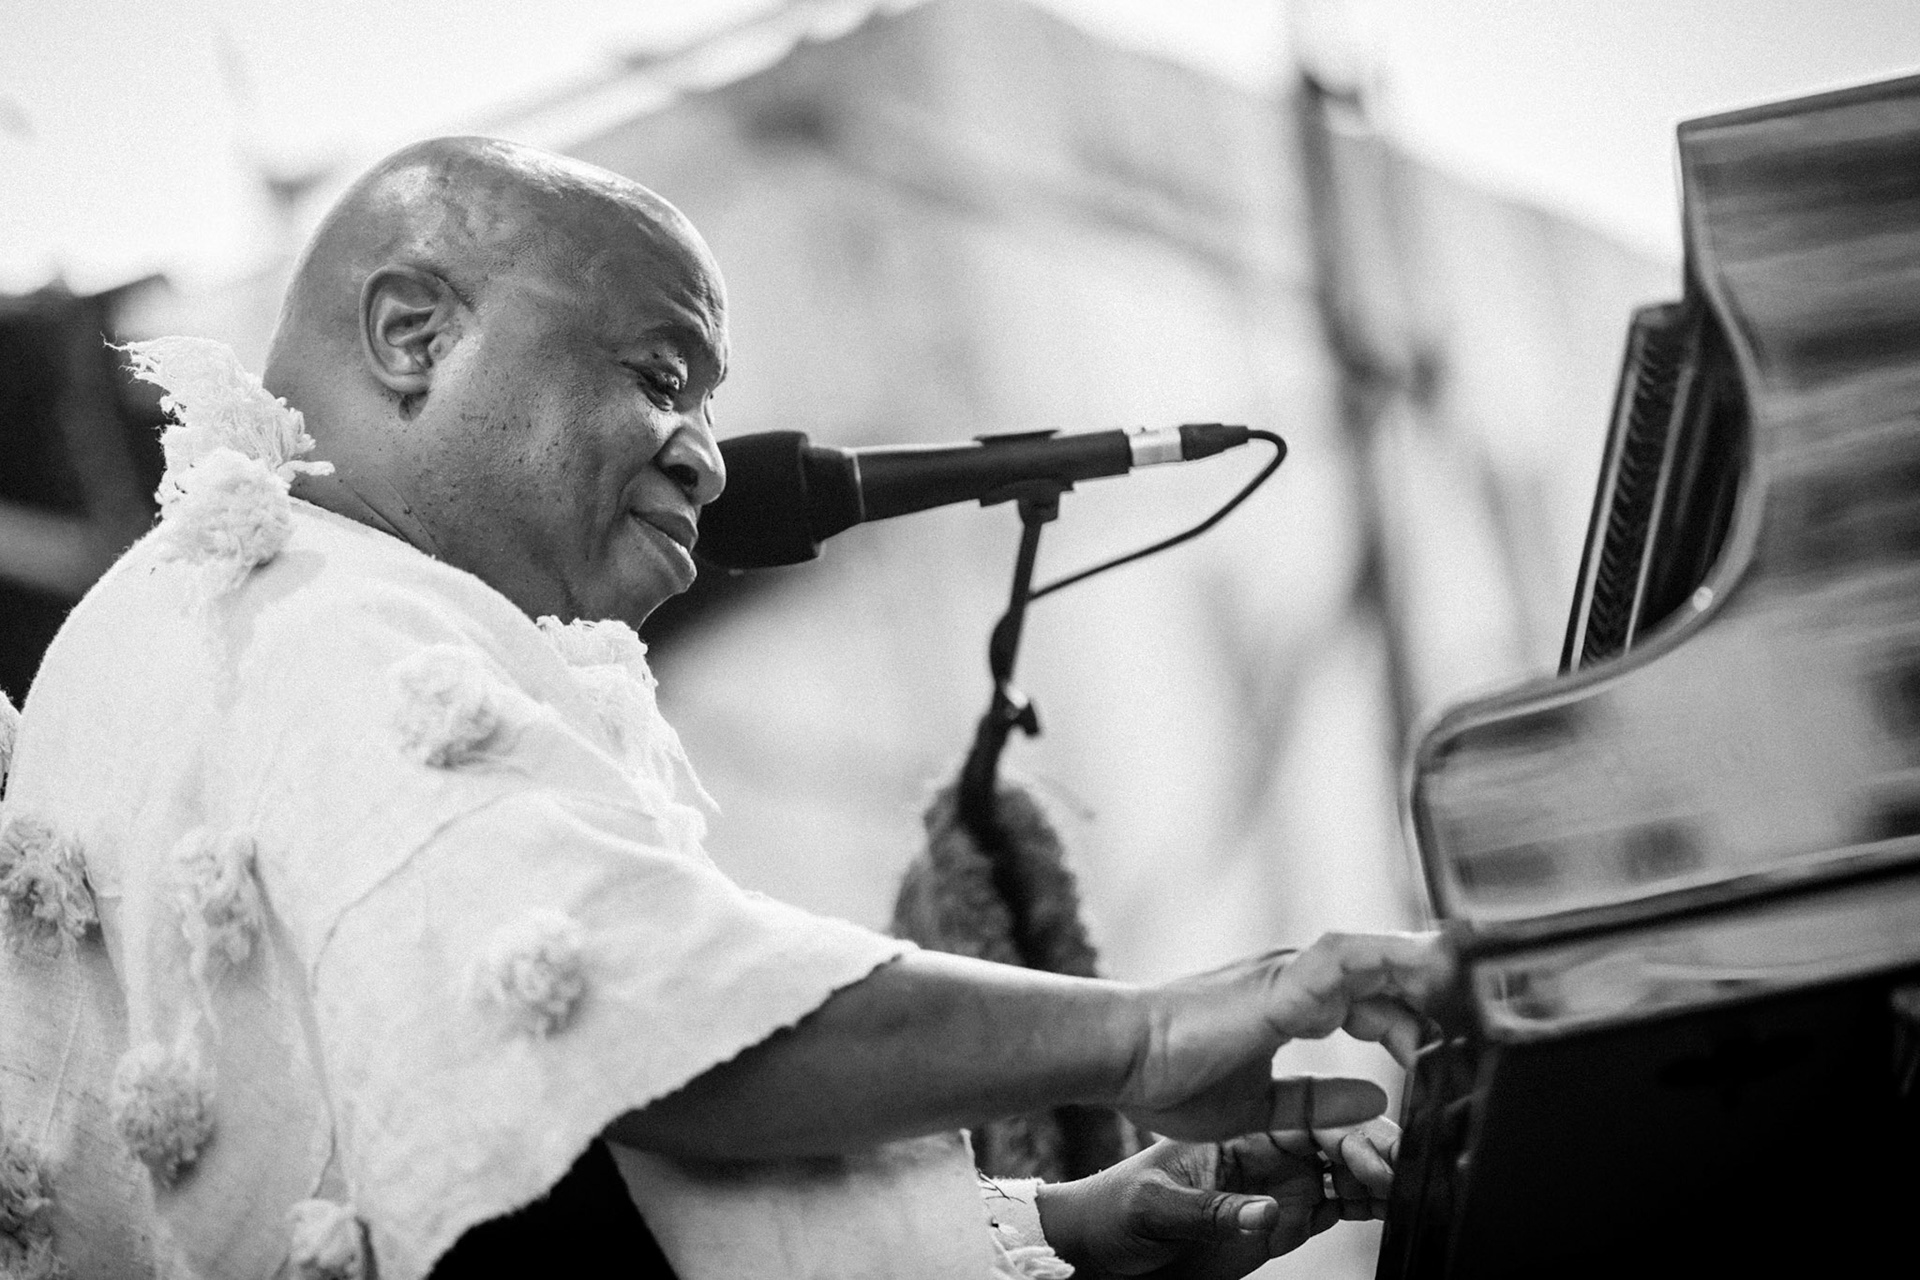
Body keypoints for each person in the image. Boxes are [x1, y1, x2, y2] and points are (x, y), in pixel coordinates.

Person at [0, 137, 1449, 1280]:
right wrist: (1145, 1038)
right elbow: (645, 1023)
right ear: (413, 332)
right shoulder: (314, 611)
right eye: (659, 376)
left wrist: (1066, 1232)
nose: (704, 456)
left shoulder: (272, 610)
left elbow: (562, 1168)